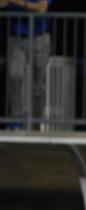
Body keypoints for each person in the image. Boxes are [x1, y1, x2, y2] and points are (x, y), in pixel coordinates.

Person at [2, 0, 52, 130]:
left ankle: (35, 124)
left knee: (38, 85)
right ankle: (16, 122)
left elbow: (42, 8)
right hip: (16, 38)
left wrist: (18, 3)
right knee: (15, 76)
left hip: (39, 39)